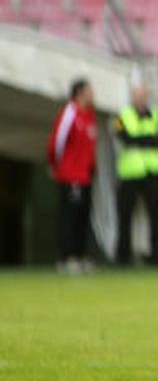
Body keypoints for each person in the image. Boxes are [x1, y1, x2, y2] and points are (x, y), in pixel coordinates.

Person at [114, 84, 158, 267]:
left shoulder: (157, 116)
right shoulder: (123, 116)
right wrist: (148, 139)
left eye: (143, 96)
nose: (141, 99)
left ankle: (157, 256)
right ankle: (123, 256)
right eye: (138, 96)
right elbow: (124, 138)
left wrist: (139, 140)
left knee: (155, 216)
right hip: (130, 173)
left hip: (152, 172)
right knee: (124, 215)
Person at [49, 78, 97, 274]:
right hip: (71, 175)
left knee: (83, 217)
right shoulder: (70, 112)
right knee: (70, 217)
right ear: (80, 93)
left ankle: (80, 256)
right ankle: (66, 257)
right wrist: (56, 165)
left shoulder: (90, 115)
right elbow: (57, 142)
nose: (93, 94)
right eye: (90, 91)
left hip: (86, 176)